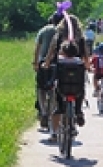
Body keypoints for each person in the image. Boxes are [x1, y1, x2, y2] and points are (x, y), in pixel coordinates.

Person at [43, 13, 91, 141]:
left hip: (61, 70)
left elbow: (50, 52)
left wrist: (46, 64)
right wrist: (88, 66)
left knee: (57, 94)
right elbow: (86, 56)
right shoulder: (81, 39)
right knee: (80, 90)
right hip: (77, 71)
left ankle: (54, 133)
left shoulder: (57, 37)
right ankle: (79, 110)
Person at [33, 13, 63, 128]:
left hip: (44, 63)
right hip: (59, 63)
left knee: (41, 88)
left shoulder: (43, 30)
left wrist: (35, 63)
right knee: (56, 89)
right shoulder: (64, 31)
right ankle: (52, 113)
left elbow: (37, 48)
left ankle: (44, 112)